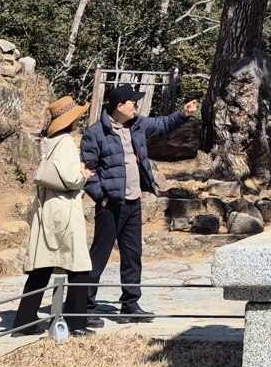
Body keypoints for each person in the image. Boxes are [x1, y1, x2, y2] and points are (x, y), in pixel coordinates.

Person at [73, 83, 197, 322]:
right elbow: (88, 169)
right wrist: (101, 196)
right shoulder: (95, 133)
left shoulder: (137, 124)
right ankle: (84, 308)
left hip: (133, 202)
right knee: (99, 255)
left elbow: (162, 125)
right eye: (133, 103)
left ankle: (130, 305)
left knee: (132, 255)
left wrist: (183, 114)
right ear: (119, 106)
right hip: (110, 205)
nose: (136, 106)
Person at [12, 96, 95, 336]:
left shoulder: (49, 142)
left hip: (46, 207)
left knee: (42, 265)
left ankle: (24, 321)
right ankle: (76, 323)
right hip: (64, 209)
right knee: (78, 265)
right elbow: (71, 178)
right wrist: (83, 175)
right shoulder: (66, 142)